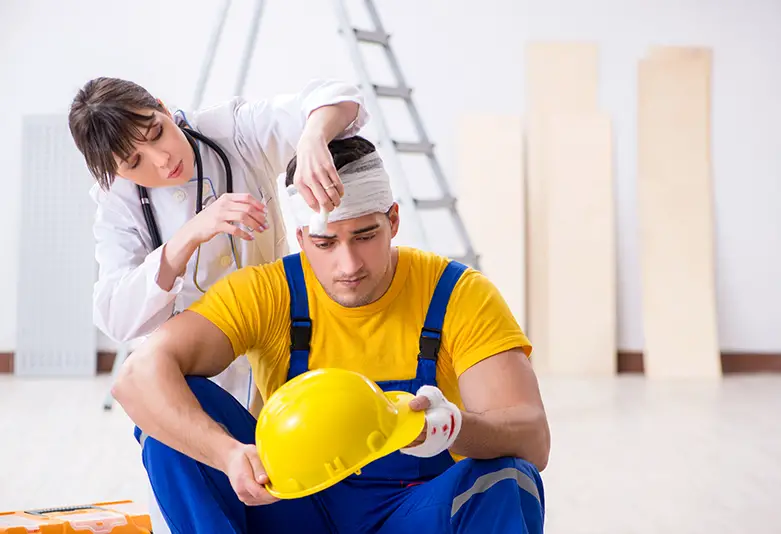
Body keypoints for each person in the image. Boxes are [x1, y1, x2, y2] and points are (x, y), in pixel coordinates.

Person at [111, 135, 551, 533]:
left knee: (508, 479)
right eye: (325, 243)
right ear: (301, 237)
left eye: (365, 236)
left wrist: (450, 426)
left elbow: (533, 439)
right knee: (171, 418)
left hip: (412, 512)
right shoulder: (270, 292)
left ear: (393, 221)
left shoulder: (457, 294)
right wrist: (225, 453)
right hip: (291, 506)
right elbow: (135, 379)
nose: (349, 265)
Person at [67, 76, 369, 533]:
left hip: (278, 357)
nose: (163, 158)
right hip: (201, 375)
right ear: (115, 174)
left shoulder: (230, 130)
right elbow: (115, 316)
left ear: (164, 108)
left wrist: (311, 137)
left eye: (156, 132)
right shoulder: (118, 204)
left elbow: (339, 97)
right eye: (134, 162)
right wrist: (188, 236)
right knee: (164, 433)